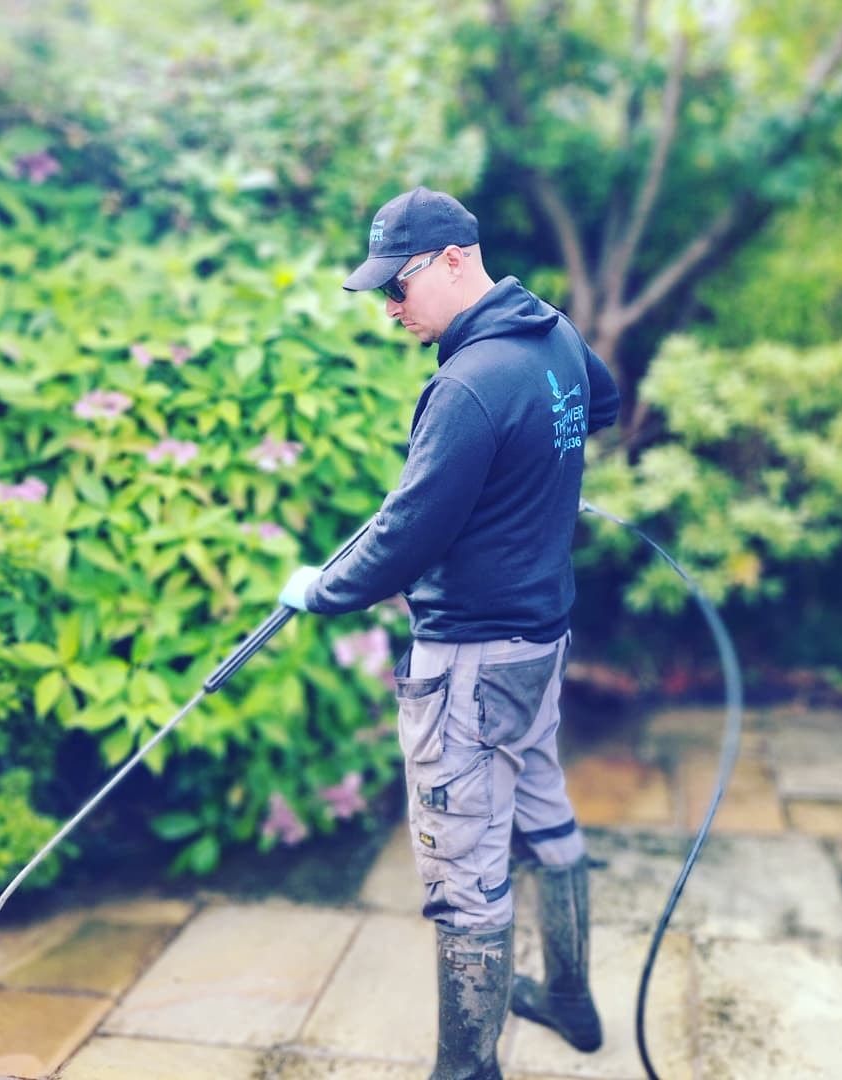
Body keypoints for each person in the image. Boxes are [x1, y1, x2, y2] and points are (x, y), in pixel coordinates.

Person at [280, 186, 619, 1080]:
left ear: (456, 260)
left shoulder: (467, 384)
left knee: (465, 874)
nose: (391, 306)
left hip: (471, 665)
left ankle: (467, 1072)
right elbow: (600, 406)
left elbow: (400, 541)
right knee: (543, 811)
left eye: (399, 285)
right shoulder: (551, 335)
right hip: (541, 642)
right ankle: (572, 999)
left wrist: (319, 589)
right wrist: (534, 478)